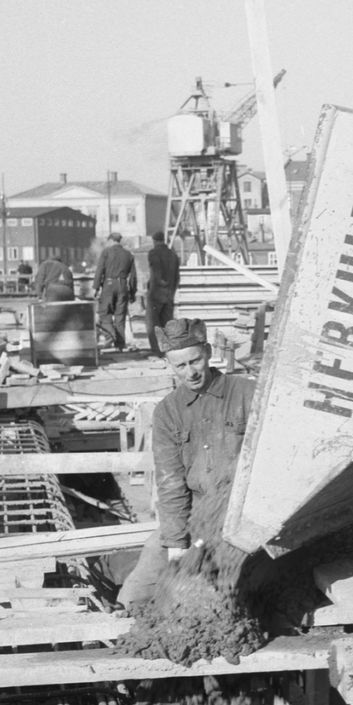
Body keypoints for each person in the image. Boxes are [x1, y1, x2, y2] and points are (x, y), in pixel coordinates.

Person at [117, 318, 256, 609]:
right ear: (170, 365)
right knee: (138, 589)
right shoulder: (168, 412)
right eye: (180, 366)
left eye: (195, 361)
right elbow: (171, 483)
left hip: (244, 513)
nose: (190, 372)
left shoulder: (247, 393)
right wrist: (176, 544)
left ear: (208, 353)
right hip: (197, 514)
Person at [93, 232, 138, 351]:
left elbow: (100, 270)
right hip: (123, 285)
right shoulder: (128, 254)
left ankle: (110, 335)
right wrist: (132, 292)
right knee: (120, 316)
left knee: (104, 313)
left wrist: (96, 288)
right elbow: (133, 276)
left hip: (108, 284)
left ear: (111, 240)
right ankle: (120, 345)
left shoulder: (106, 252)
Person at [145, 231, 181, 356]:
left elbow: (156, 272)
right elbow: (177, 277)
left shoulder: (153, 253)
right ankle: (168, 349)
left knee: (152, 323)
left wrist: (160, 282)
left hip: (156, 292)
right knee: (167, 322)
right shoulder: (173, 254)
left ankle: (158, 350)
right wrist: (172, 291)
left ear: (154, 241)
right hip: (169, 293)